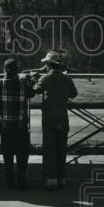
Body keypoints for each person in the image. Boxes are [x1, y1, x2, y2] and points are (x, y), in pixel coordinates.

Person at [34, 50, 78, 189]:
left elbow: (37, 89)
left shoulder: (45, 78)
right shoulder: (67, 79)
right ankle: (61, 179)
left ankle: (50, 180)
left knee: (49, 149)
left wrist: (35, 79)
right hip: (63, 117)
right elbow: (73, 94)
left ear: (48, 64)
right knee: (61, 149)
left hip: (49, 118)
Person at [0, 58, 37, 189]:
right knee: (22, 154)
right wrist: (31, 79)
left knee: (7, 155)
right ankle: (21, 181)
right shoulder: (23, 84)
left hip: (5, 125)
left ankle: (9, 181)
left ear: (4, 70)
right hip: (20, 124)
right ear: (17, 71)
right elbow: (32, 92)